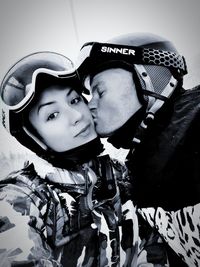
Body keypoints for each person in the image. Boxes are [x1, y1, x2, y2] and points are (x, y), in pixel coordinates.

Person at [0, 51, 169, 267]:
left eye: (75, 100)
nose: (77, 115)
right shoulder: (19, 201)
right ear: (34, 137)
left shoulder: (122, 178)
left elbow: (152, 249)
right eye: (52, 115)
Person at [76, 32, 200, 267]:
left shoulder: (195, 121)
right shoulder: (136, 167)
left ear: (149, 76)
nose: (90, 105)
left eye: (99, 92)